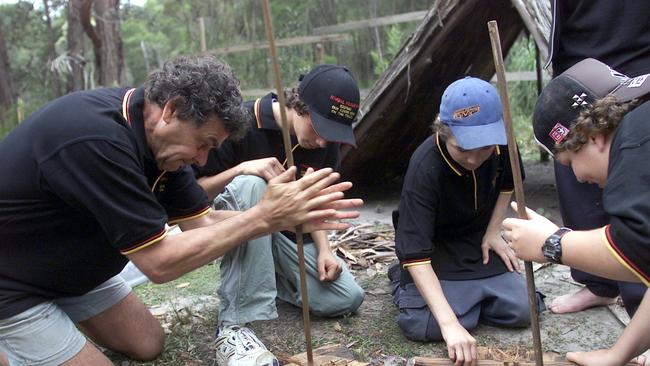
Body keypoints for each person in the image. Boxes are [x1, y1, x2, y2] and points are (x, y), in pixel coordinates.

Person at [0, 55, 362, 366]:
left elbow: (202, 222)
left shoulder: (163, 148)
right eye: (204, 144)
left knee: (148, 344)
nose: (202, 160)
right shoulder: (97, 141)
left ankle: (52, 328)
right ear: (171, 109)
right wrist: (262, 217)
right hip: (13, 284)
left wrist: (284, 217)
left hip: (72, 278)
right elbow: (159, 263)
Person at [193, 64, 365, 366]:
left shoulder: (325, 144)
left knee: (345, 298)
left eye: (333, 135)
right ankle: (232, 326)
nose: (324, 142)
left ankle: (267, 280)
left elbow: (316, 202)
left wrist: (325, 250)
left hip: (286, 233)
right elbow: (194, 193)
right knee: (252, 184)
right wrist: (240, 169)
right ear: (301, 105)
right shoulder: (242, 122)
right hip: (234, 227)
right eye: (320, 129)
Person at [503, 58, 650, 365]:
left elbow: (636, 248)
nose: (579, 178)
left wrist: (551, 244)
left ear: (594, 136)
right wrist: (617, 354)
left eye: (569, 163)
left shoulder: (634, 142)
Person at [390, 77, 539, 365]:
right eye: (463, 148)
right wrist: (450, 324)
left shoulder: (501, 144)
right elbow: (415, 249)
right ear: (442, 130)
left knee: (524, 311)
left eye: (482, 149)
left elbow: (510, 182)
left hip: (476, 239)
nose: (473, 159)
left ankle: (465, 301)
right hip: (434, 248)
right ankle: (403, 281)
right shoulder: (425, 165)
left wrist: (494, 231)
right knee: (425, 325)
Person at [544, 0, 650, 315]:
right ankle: (600, 283)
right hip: (578, 55)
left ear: (597, 136)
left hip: (635, 55)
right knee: (580, 186)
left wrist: (549, 244)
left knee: (632, 190)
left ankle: (639, 298)